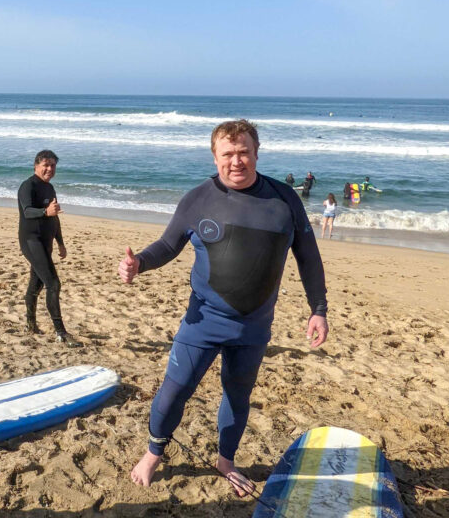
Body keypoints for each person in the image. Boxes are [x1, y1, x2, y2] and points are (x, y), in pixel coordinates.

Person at [119, 119, 328, 496]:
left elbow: (308, 257)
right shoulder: (198, 199)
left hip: (254, 327)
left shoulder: (284, 200)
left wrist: (318, 308)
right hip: (203, 322)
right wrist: (140, 264)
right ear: (214, 156)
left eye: (243, 152)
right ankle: (153, 452)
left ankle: (225, 460)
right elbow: (167, 246)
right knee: (174, 390)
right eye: (228, 153)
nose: (236, 161)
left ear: (256, 153)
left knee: (237, 396)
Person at [18, 150, 82, 347]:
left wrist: (60, 242)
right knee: (53, 283)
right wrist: (46, 211)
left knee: (36, 283)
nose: (49, 169)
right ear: (36, 165)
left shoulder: (50, 188)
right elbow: (28, 212)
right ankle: (61, 333)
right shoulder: (27, 186)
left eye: (53, 165)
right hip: (31, 241)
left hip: (46, 242)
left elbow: (54, 217)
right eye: (46, 165)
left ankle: (30, 324)